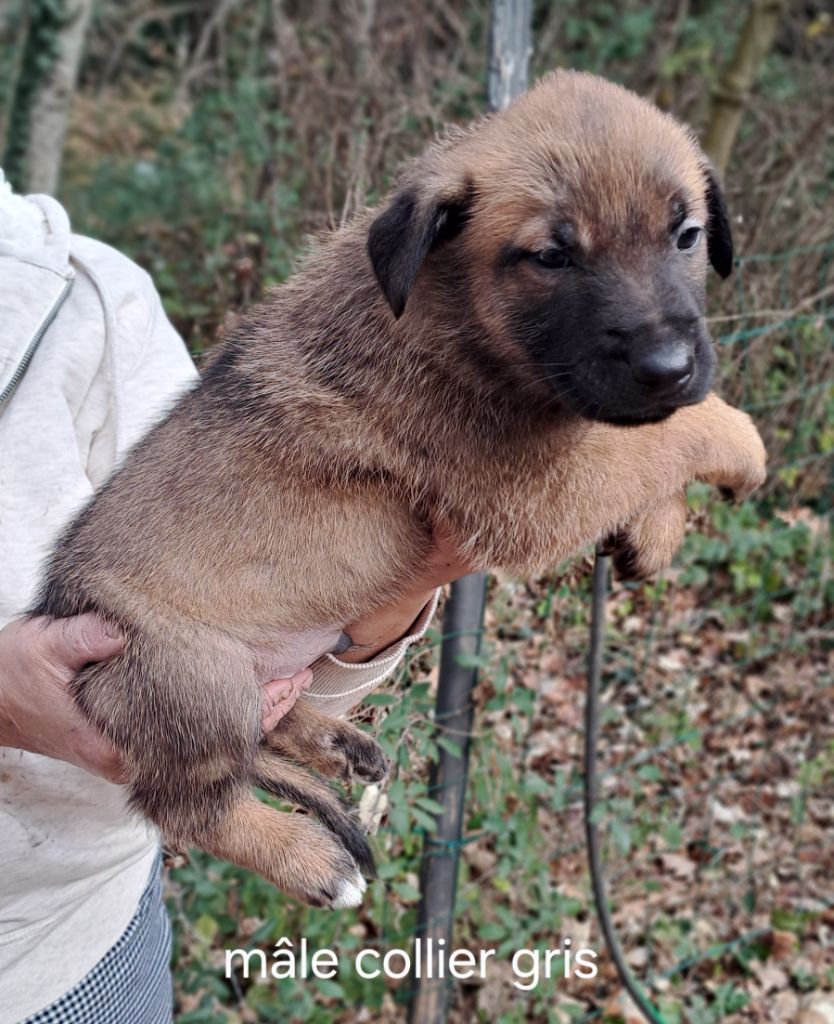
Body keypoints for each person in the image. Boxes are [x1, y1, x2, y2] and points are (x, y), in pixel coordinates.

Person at [0, 172, 470, 1022]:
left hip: (79, 933)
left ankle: (278, 748)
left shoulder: (91, 299)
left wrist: (407, 583)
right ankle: (225, 801)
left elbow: (258, 597)